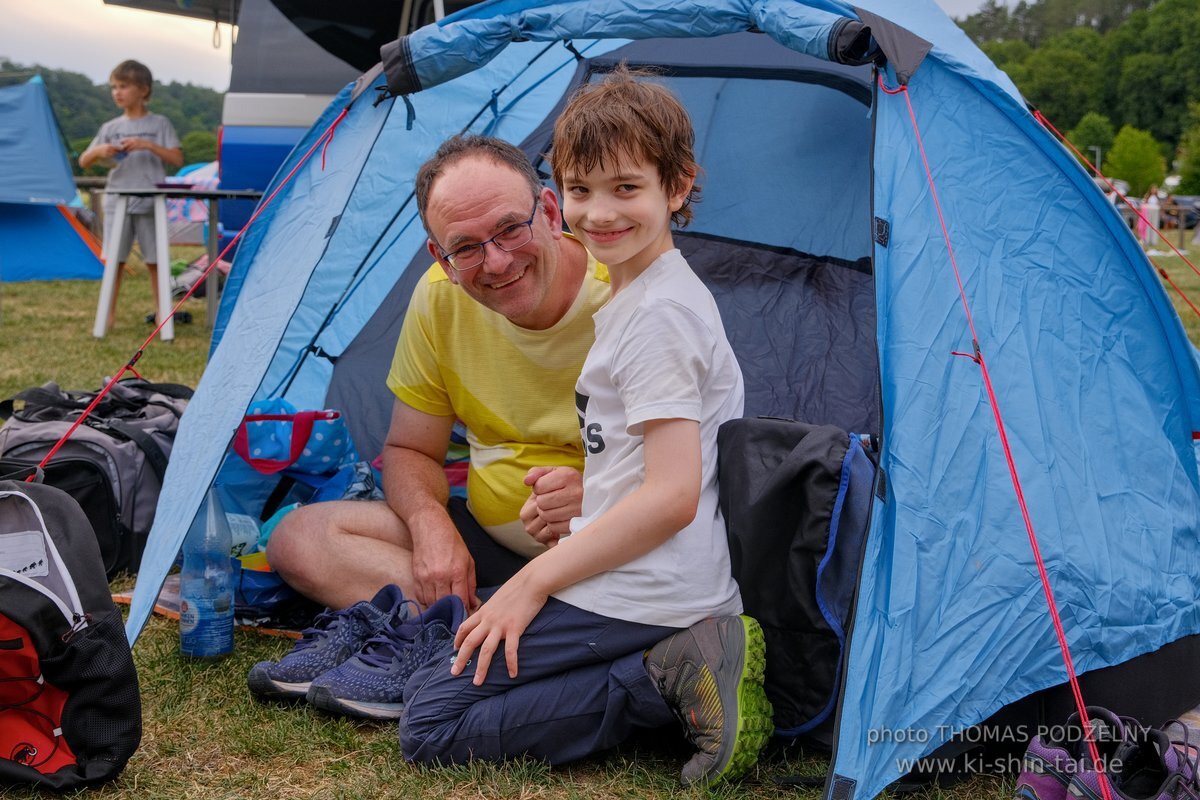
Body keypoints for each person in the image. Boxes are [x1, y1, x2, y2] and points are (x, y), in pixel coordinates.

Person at [398, 67, 772, 787]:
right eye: (581, 190)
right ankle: (667, 663)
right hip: (628, 577)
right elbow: (645, 461)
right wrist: (588, 489)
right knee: (466, 676)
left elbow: (671, 497)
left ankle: (665, 675)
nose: (600, 214)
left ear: (679, 186)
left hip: (650, 590)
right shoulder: (636, 299)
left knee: (432, 721)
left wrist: (529, 584)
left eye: (626, 188)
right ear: (558, 195)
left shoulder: (658, 317)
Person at [251, 135, 608, 706]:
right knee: (299, 537)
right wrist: (431, 528)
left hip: (602, 549)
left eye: (510, 228)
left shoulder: (625, 292)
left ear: (548, 209)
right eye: (465, 247)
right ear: (439, 255)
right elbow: (411, 450)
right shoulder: (439, 299)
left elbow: (684, 474)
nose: (495, 262)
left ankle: (427, 625)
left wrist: (601, 495)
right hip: (488, 538)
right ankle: (452, 627)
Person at [79, 60, 183, 330]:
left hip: (151, 202)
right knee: (115, 260)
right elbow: (84, 161)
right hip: (117, 200)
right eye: (114, 87)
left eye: (123, 86)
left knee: (155, 261)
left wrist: (147, 145)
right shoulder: (110, 127)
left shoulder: (160, 124)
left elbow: (177, 158)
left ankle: (163, 315)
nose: (117, 92)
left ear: (143, 90)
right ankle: (107, 317)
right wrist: (100, 152)